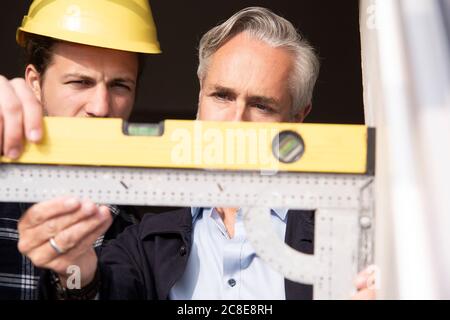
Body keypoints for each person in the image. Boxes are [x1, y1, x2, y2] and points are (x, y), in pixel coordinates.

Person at [16, 7, 376, 300]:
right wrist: (74, 271)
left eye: (262, 106)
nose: (235, 123)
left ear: (297, 118)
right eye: (222, 96)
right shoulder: (143, 242)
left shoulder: (350, 232)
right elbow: (90, 290)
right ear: (199, 99)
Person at [0, 0, 161, 299]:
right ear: (35, 83)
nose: (101, 108)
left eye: (120, 86)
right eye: (80, 82)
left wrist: (75, 280)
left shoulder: (132, 231)